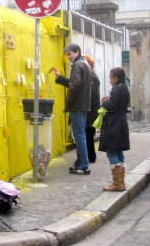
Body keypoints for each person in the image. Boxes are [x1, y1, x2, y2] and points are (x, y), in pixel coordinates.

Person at [52, 43, 92, 175]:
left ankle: (84, 165)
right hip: (83, 105)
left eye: (70, 54)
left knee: (79, 135)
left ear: (77, 52)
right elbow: (75, 83)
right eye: (67, 55)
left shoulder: (77, 65)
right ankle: (80, 163)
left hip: (77, 105)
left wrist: (68, 99)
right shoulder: (84, 64)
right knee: (81, 134)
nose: (68, 57)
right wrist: (60, 77)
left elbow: (74, 86)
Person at [99, 67, 130, 191]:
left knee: (111, 151)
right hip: (121, 121)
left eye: (111, 78)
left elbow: (111, 105)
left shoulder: (116, 89)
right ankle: (121, 181)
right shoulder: (125, 87)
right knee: (118, 151)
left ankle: (117, 184)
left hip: (114, 123)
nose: (110, 81)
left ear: (116, 78)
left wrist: (104, 102)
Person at [84, 54, 100, 163]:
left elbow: (93, 96)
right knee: (88, 135)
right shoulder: (91, 76)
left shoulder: (93, 77)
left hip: (91, 112)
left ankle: (91, 157)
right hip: (90, 111)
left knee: (89, 134)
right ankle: (90, 156)